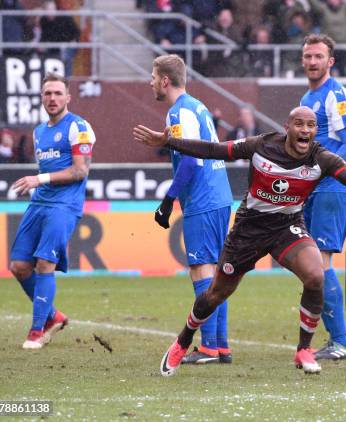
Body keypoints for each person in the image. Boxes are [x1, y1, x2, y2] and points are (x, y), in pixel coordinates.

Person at [133, 106, 346, 376]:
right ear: (288, 127)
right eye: (299, 124)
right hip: (249, 230)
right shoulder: (262, 145)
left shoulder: (321, 158)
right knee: (215, 294)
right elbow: (213, 150)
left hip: (287, 228)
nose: (306, 130)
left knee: (315, 276)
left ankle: (303, 350)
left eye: (311, 125)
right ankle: (183, 340)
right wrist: (168, 142)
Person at [148, 54, 233, 365]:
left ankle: (209, 347)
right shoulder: (197, 106)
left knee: (202, 271)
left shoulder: (178, 112)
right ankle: (220, 345)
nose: (151, 82)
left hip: (203, 199)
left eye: (154, 76)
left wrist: (168, 199)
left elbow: (191, 161)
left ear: (165, 80)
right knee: (215, 273)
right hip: (219, 194)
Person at [9, 72, 95, 349]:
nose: (52, 98)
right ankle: (53, 315)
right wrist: (39, 182)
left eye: (58, 93)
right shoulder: (38, 131)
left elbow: (80, 170)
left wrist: (39, 179)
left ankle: (37, 330)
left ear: (68, 97)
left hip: (64, 205)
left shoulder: (78, 127)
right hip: (39, 203)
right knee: (19, 266)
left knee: (44, 263)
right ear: (42, 97)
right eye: (48, 93)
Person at [299, 34, 346, 361]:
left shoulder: (336, 95)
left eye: (318, 56)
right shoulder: (308, 96)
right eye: (307, 56)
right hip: (315, 187)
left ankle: (342, 342)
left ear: (330, 61)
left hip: (332, 187)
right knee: (310, 264)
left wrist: (317, 171)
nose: (311, 61)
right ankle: (336, 339)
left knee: (319, 264)